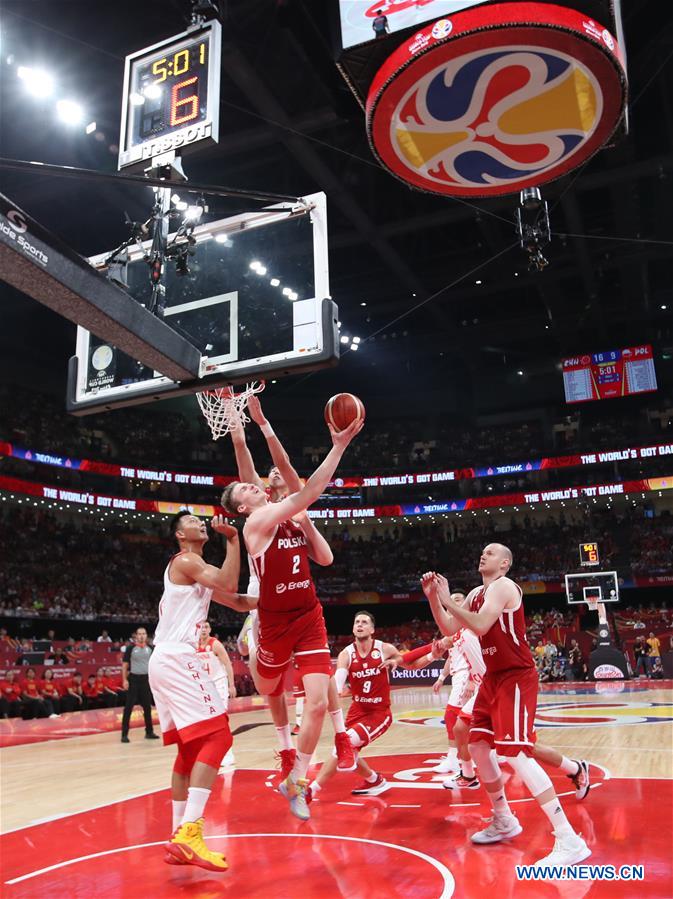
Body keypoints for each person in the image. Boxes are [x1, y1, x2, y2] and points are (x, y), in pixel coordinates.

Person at [221, 415, 363, 821]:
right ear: (244, 506)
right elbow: (304, 488)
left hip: (308, 615)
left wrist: (307, 523)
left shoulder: (288, 518)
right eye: (250, 487)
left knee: (316, 703)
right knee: (269, 685)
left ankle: (296, 778)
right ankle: (284, 742)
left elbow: (325, 557)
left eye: (258, 483)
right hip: (272, 620)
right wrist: (337, 446)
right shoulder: (257, 522)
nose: (258, 484)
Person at [422, 542, 590, 868]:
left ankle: (569, 840)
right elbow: (449, 628)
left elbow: (481, 625)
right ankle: (503, 818)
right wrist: (433, 597)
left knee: (516, 754)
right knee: (480, 746)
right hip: (493, 679)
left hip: (515, 676)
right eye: (481, 551)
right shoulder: (474, 594)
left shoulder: (504, 587)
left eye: (491, 552)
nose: (483, 554)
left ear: (505, 563)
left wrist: (446, 600)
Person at [151, 510, 256, 872]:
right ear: (181, 535)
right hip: (179, 657)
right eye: (193, 520)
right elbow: (228, 582)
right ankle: (190, 833)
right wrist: (233, 539)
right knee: (219, 738)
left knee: (189, 749)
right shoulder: (187, 560)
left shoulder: (195, 572)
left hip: (164, 659)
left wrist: (276, 602)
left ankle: (178, 835)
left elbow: (238, 600)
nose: (200, 522)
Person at [309, 611, 442, 800]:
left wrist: (431, 657)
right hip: (357, 711)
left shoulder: (384, 649)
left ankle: (311, 790)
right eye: (357, 622)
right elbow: (338, 684)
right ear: (353, 628)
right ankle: (375, 780)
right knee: (349, 750)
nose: (360, 625)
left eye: (364, 622)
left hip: (379, 713)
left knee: (343, 746)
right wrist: (330, 690)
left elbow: (411, 665)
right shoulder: (346, 654)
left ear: (372, 629)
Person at [431, 593, 485, 777]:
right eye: (450, 601)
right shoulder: (454, 632)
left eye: (457, 600)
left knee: (452, 716)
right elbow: (449, 657)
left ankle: (454, 758)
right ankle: (470, 761)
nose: (452, 604)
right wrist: (440, 677)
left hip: (468, 676)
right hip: (460, 675)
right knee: (466, 721)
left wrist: (470, 678)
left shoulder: (473, 627)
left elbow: (478, 655)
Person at [196, 620, 236, 770]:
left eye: (206, 627)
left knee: (221, 720)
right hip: (205, 686)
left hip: (219, 684)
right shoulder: (193, 646)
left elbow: (227, 664)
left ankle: (228, 754)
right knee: (206, 720)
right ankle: (210, 753)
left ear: (210, 629)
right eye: (201, 627)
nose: (203, 630)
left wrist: (231, 684)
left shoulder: (215, 644)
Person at [121, 627, 158, 742]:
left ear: (146, 636)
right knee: (128, 708)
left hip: (146, 680)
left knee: (147, 707)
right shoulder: (130, 648)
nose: (141, 636)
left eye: (144, 634)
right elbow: (125, 666)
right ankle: (124, 734)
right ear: (136, 636)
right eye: (139, 634)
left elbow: (155, 665)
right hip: (134, 680)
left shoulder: (151, 649)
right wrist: (124, 680)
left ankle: (149, 732)